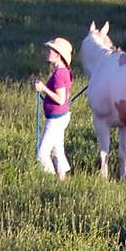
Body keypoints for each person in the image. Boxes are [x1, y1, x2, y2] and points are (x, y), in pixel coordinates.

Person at [33, 37, 73, 178]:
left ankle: (49, 179)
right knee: (57, 151)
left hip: (56, 119)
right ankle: (62, 181)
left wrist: (43, 88)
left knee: (42, 154)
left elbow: (61, 99)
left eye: (51, 50)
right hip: (60, 117)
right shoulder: (63, 71)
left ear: (58, 55)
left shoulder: (59, 75)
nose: (48, 52)